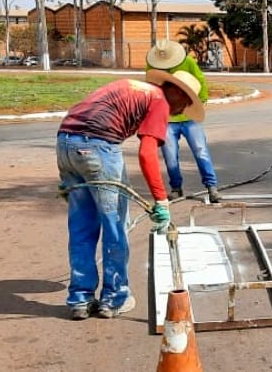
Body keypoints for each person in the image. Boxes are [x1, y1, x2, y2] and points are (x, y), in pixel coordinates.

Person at [57, 70, 204, 320]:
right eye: (186, 102)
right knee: (115, 226)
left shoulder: (134, 87)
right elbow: (147, 154)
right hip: (98, 147)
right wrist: (161, 200)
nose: (181, 110)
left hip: (65, 143)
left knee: (81, 227)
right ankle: (114, 299)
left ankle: (80, 300)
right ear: (176, 92)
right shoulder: (159, 100)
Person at [146, 40, 221, 203]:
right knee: (170, 154)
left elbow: (199, 79)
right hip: (167, 117)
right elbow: (152, 88)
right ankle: (176, 188)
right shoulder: (153, 67)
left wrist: (198, 101)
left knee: (200, 150)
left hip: (189, 117)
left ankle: (211, 186)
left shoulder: (187, 62)